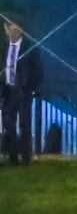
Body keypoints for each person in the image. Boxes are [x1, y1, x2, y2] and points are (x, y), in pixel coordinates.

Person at [1, 18, 42, 165]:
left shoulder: (30, 48)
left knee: (25, 125)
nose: (11, 32)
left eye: (13, 29)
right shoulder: (4, 47)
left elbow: (38, 72)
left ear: (20, 30)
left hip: (23, 92)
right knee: (8, 125)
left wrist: (31, 89)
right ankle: (12, 157)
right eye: (8, 29)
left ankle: (25, 158)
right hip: (8, 92)